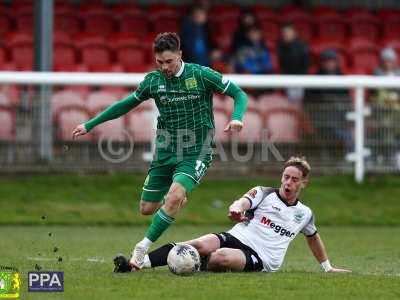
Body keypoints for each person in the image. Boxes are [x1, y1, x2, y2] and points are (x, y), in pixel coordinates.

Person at [72, 32, 248, 269]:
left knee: (174, 196)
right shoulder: (153, 81)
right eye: (159, 62)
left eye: (169, 61)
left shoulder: (201, 74)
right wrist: (89, 124)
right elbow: (125, 104)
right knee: (147, 209)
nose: (164, 67)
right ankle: (175, 199)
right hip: (165, 149)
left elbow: (239, 93)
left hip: (197, 148)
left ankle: (142, 247)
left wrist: (237, 118)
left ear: (180, 55)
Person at [114, 157, 351, 274]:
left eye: (294, 179)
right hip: (236, 236)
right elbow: (243, 201)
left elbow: (313, 237)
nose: (288, 182)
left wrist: (327, 268)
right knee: (197, 244)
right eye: (285, 176)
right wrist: (237, 208)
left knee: (220, 258)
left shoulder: (304, 213)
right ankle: (136, 265)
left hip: (262, 257)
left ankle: (192, 265)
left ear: (303, 183)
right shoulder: (264, 193)